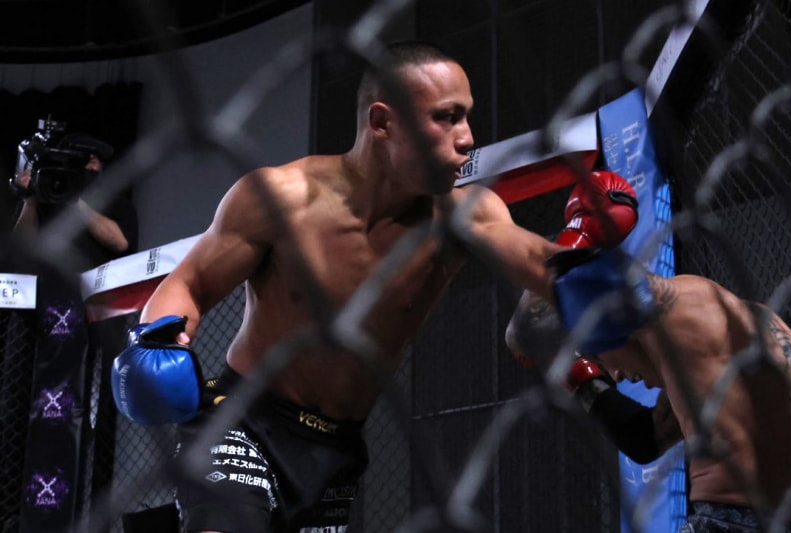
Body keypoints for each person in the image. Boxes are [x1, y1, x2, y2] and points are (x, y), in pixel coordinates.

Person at [111, 42, 638, 533]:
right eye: (447, 117)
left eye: (467, 116)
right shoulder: (279, 198)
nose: (467, 137)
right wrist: (156, 337)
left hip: (335, 448)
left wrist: (585, 271)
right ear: (384, 122)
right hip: (241, 419)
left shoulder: (465, 216)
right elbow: (190, 282)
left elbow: (535, 259)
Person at [506, 248, 791, 531]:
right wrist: (579, 377)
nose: (618, 375)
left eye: (600, 355)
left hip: (737, 519)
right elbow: (645, 438)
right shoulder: (716, 357)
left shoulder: (677, 313)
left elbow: (520, 333)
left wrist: (577, 239)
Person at [11, 127, 138, 272]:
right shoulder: (43, 197)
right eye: (81, 161)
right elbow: (20, 249)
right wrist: (29, 201)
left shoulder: (115, 202)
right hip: (48, 281)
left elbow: (120, 243)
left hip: (96, 282)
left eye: (93, 160)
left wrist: (76, 200)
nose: (92, 166)